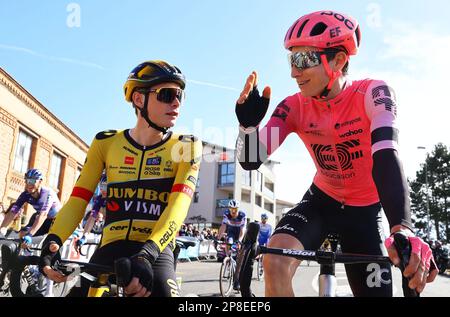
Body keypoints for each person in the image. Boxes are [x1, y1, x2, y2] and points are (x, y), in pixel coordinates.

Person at [235, 10, 437, 296]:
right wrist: (247, 127)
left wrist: (401, 227)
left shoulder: (373, 93)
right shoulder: (293, 106)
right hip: (321, 202)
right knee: (275, 261)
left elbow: (386, 155)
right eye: (291, 60)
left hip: (365, 213)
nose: (294, 71)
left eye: (303, 60)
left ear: (338, 60)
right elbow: (251, 159)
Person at [39, 60, 202, 297]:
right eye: (167, 94)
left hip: (155, 250)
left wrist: (148, 253)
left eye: (180, 96)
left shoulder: (186, 146)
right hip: (110, 247)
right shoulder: (105, 142)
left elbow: (178, 207)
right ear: (139, 99)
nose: (176, 102)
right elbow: (78, 199)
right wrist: (53, 241)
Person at [0, 169, 61, 244]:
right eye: (26, 181)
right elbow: (12, 212)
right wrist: (2, 229)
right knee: (22, 233)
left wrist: (30, 234)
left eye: (32, 181)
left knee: (47, 242)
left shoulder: (48, 193)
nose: (28, 184)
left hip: (56, 220)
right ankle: (24, 253)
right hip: (42, 218)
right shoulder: (25, 195)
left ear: (40, 182)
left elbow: (43, 215)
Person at [76, 173, 107, 247]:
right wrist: (84, 236)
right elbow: (92, 218)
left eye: (106, 186)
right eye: (101, 186)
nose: (103, 189)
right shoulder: (100, 199)